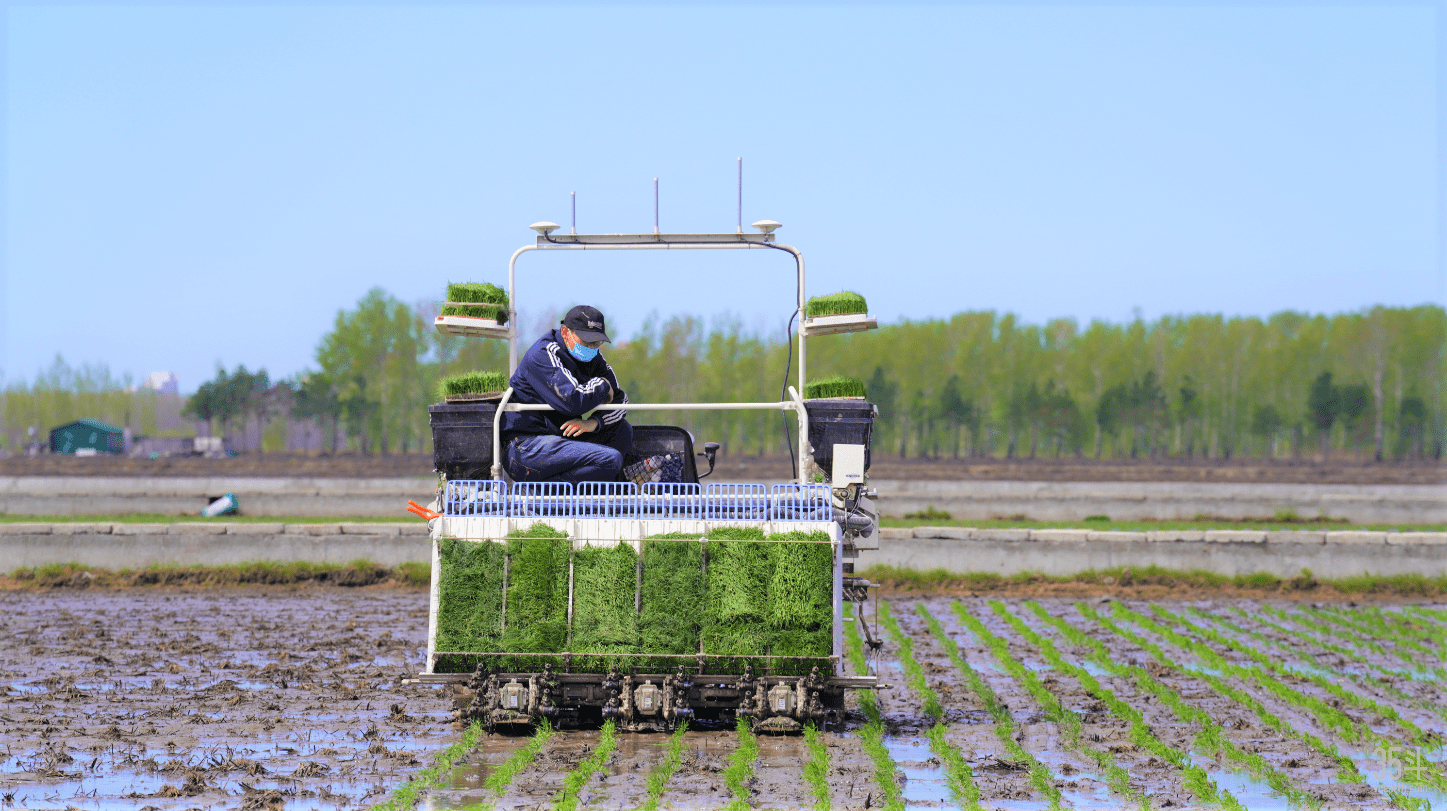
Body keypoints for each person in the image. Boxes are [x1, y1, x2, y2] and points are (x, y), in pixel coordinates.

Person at [500, 304, 633, 483]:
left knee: (622, 430)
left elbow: (620, 400)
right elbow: (572, 400)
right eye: (586, 341)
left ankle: (591, 500)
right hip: (526, 446)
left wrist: (593, 422)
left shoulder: (594, 357)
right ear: (565, 332)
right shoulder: (543, 354)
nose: (592, 347)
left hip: (562, 439)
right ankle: (539, 493)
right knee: (610, 459)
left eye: (597, 342)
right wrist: (603, 384)